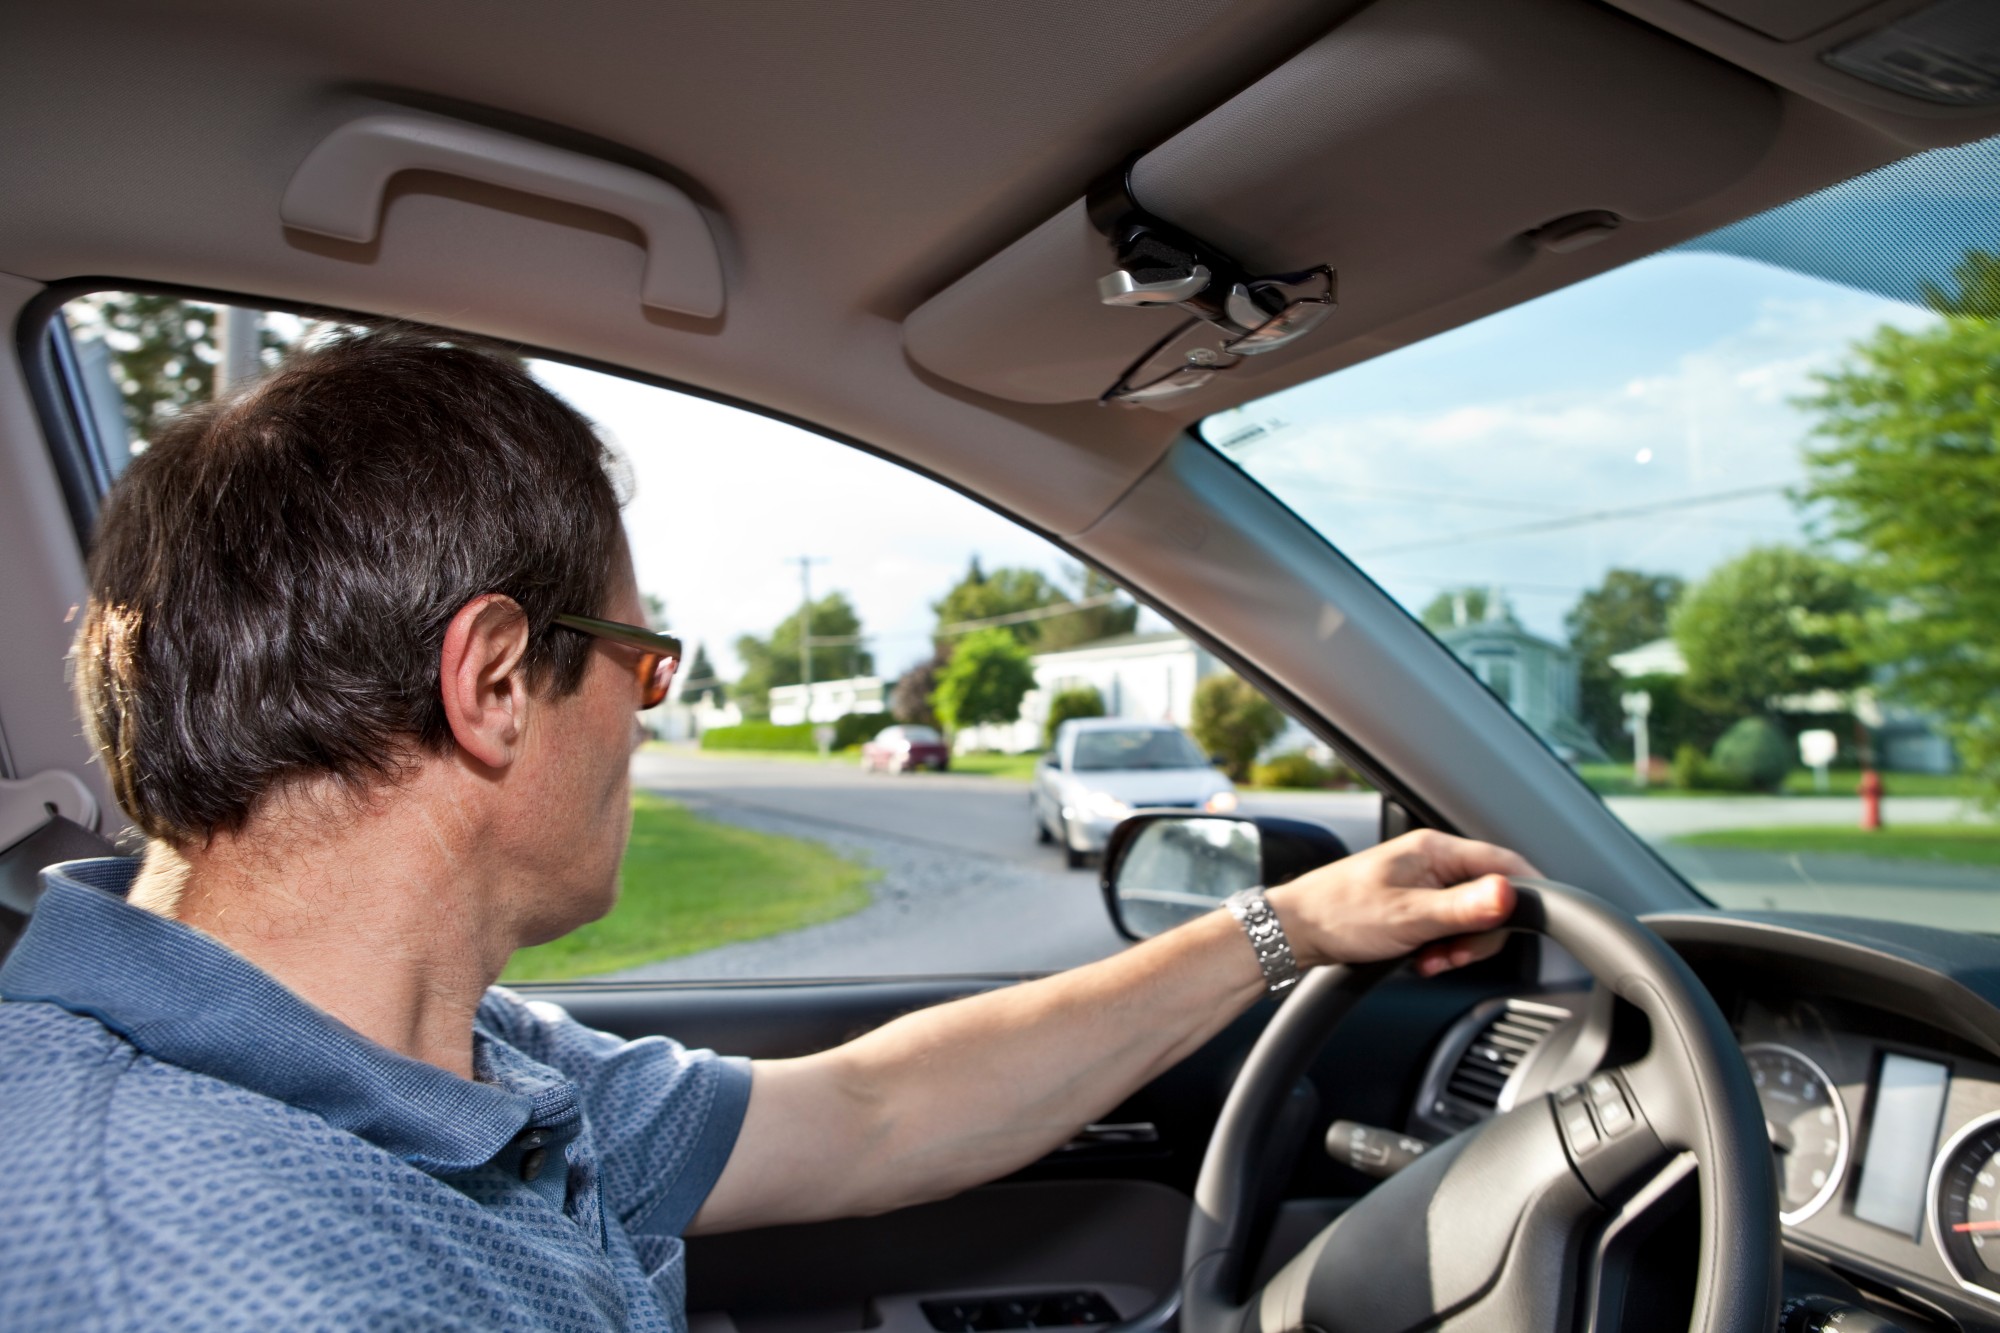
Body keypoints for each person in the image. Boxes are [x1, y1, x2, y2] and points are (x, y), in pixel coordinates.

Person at [0, 331, 1529, 1331]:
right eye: (643, 663)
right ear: (494, 682)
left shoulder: (456, 1057)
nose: (650, 718)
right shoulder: (186, 1262)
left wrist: (1293, 925)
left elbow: (866, 1113)